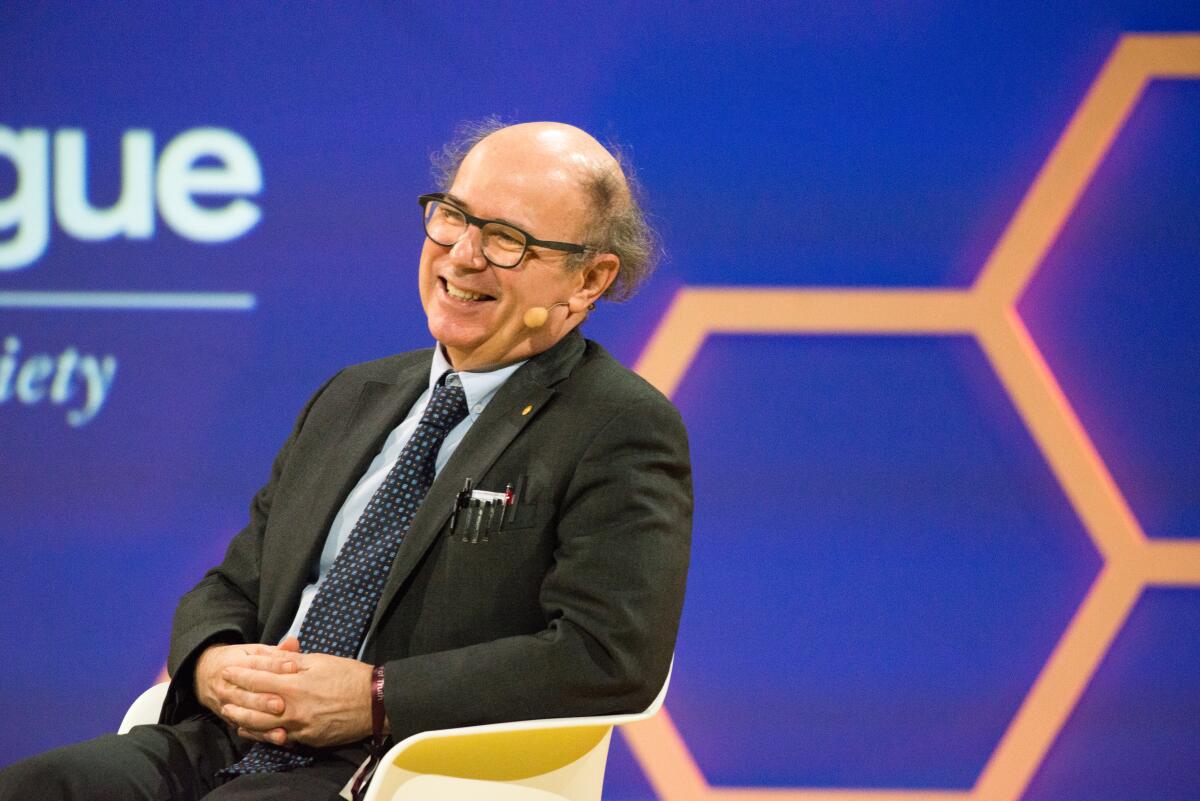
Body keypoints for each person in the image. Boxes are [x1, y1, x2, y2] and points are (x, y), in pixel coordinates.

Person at [0, 120, 692, 800]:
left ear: (590, 279)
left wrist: (376, 696)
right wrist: (211, 663)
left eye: (507, 240)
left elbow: (606, 656)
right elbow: (235, 584)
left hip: (399, 768)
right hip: (223, 744)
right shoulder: (352, 396)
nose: (462, 254)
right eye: (453, 217)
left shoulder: (617, 424)